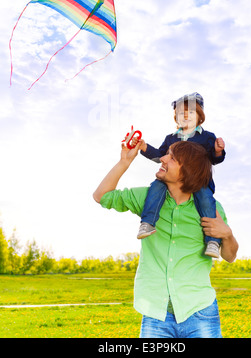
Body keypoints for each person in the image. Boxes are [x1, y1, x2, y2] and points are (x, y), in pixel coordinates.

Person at [93, 140, 238, 338]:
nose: (162, 158)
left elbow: (229, 256)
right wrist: (124, 163)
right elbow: (101, 196)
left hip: (199, 311)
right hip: (156, 313)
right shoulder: (148, 198)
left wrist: (227, 234)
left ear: (188, 170)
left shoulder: (212, 208)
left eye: (171, 157)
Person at [137, 92, 225, 259]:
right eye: (180, 113)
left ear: (200, 117)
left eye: (190, 112)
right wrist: (144, 147)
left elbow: (213, 159)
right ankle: (147, 223)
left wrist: (218, 150)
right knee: (156, 187)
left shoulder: (207, 137)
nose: (185, 116)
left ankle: (213, 241)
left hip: (198, 180)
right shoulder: (171, 138)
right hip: (172, 181)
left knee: (206, 200)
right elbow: (160, 156)